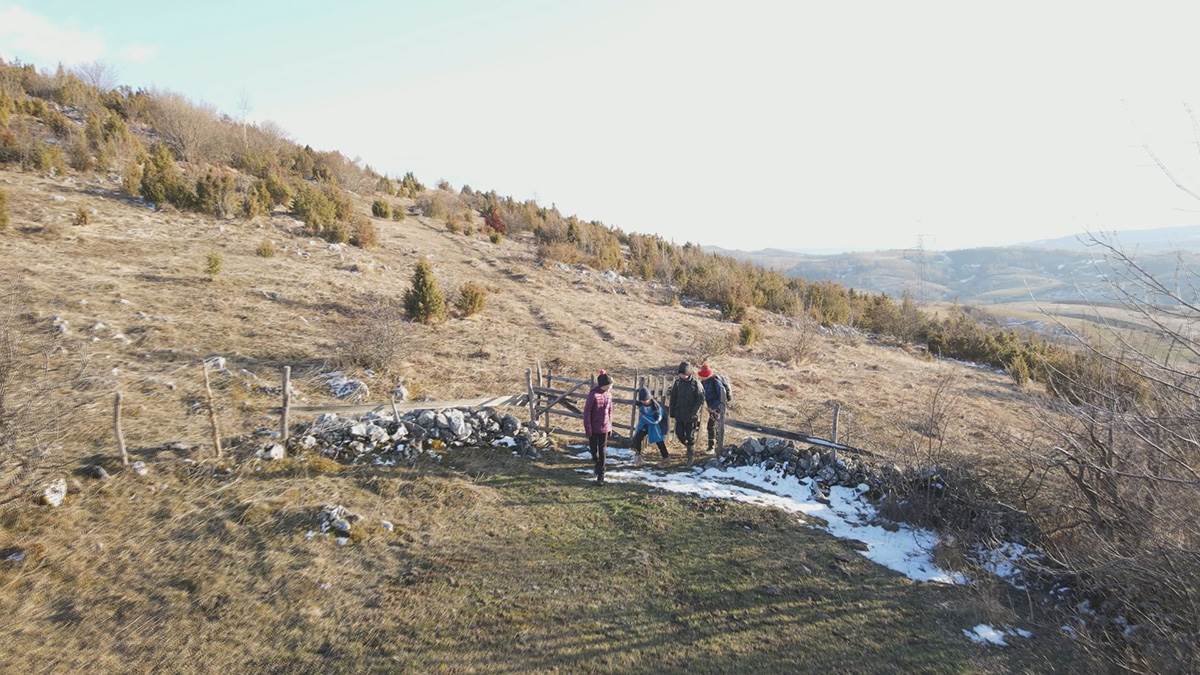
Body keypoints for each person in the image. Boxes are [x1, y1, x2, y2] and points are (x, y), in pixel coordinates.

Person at [668, 361, 705, 465]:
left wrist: (694, 412)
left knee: (690, 436)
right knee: (679, 433)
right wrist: (672, 412)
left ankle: (690, 456)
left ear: (688, 373)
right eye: (680, 374)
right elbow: (673, 397)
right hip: (680, 413)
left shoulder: (695, 383)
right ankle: (688, 446)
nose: (681, 376)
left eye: (683, 374)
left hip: (691, 415)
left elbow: (700, 399)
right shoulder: (678, 382)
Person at [582, 370, 614, 484]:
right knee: (593, 450)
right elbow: (587, 412)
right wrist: (588, 428)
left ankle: (601, 475)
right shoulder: (593, 395)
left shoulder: (609, 395)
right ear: (603, 385)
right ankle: (597, 464)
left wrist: (610, 426)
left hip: (605, 427)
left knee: (602, 451)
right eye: (609, 385)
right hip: (593, 427)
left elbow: (610, 411)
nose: (610, 387)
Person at [698, 363, 732, 455]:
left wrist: (716, 409)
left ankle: (715, 447)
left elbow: (722, 396)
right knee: (712, 426)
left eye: (702, 376)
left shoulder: (715, 381)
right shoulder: (704, 382)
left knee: (714, 426)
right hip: (712, 408)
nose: (701, 377)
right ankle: (713, 447)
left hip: (717, 408)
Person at [631, 386, 669, 466]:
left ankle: (666, 458)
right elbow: (642, 415)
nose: (644, 402)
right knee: (637, 438)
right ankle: (638, 457)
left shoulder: (657, 407)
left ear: (650, 398)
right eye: (642, 400)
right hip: (645, 425)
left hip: (655, 426)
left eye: (646, 400)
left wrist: (646, 418)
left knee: (659, 441)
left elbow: (657, 420)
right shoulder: (642, 405)